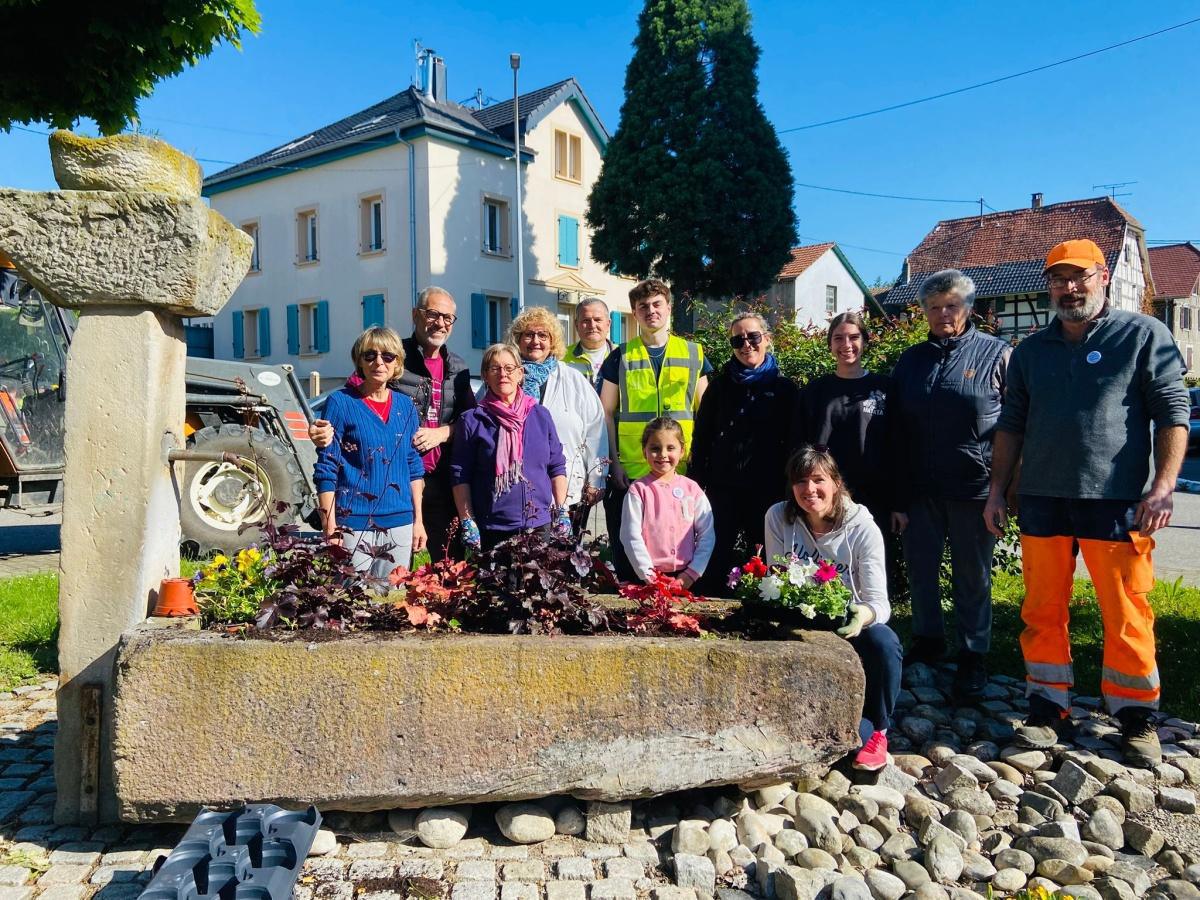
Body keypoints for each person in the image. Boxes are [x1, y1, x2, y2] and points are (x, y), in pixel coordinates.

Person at [984, 238, 1190, 767]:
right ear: (1048, 286)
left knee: (1126, 611)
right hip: (1042, 500)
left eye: (1080, 277)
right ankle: (1048, 707)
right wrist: (996, 489)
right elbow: (1011, 424)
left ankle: (1135, 715)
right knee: (1041, 609)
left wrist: (1163, 486)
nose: (1069, 288)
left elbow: (1172, 413)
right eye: (1058, 279)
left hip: (1115, 501)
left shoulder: (1144, 335)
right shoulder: (1031, 350)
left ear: (1103, 276)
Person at [891, 269, 1010, 703]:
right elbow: (898, 431)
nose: (943, 314)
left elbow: (1014, 426)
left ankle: (973, 653)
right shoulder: (911, 360)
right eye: (934, 307)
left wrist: (1003, 490)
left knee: (972, 575)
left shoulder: (997, 354)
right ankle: (928, 639)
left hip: (974, 488)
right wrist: (899, 496)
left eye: (951, 306)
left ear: (968, 308)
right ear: (923, 312)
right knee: (921, 568)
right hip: (920, 489)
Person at [764, 446, 902, 772]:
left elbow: (879, 603)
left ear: (836, 483)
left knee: (885, 643)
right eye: (800, 481)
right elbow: (777, 577)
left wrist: (861, 616)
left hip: (849, 621)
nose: (809, 489)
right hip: (801, 618)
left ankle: (879, 729)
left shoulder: (862, 528)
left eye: (818, 480)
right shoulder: (778, 518)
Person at [311, 286, 475, 560]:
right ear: (416, 315)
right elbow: (353, 398)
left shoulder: (458, 367)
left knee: (448, 564)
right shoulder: (391, 354)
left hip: (441, 479)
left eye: (448, 318)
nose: (440, 323)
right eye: (433, 314)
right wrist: (321, 429)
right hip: (397, 482)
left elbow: (471, 420)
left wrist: (443, 433)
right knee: (396, 572)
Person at [600, 278, 711, 580]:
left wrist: (700, 461)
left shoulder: (693, 354)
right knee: (630, 551)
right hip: (632, 471)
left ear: (669, 308)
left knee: (680, 544)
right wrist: (615, 463)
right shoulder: (620, 356)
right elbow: (606, 413)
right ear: (634, 314)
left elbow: (707, 412)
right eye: (643, 307)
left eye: (656, 304)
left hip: (681, 470)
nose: (651, 311)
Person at [690, 312, 800, 596]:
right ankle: (709, 610)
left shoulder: (785, 390)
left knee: (765, 556)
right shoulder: (718, 387)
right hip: (723, 487)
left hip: (768, 488)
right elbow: (701, 438)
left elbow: (795, 441)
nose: (746, 344)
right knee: (716, 553)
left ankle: (765, 612)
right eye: (738, 340)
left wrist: (791, 488)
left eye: (753, 337)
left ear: (767, 339)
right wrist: (695, 485)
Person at [797, 311, 905, 593]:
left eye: (854, 337)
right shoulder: (816, 391)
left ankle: (874, 621)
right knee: (827, 566)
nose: (847, 344)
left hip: (874, 495)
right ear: (830, 345)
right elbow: (801, 446)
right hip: (825, 494)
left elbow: (898, 447)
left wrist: (898, 503)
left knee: (873, 567)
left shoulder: (884, 388)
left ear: (865, 341)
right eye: (838, 338)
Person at [313, 327, 426, 577]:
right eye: (370, 355)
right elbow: (326, 468)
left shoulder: (405, 406)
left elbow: (413, 466)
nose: (378, 362)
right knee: (352, 602)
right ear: (359, 361)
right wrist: (329, 525)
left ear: (397, 363)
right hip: (352, 523)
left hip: (400, 522)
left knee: (391, 602)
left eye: (387, 356)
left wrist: (418, 520)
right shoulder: (341, 403)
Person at [451, 343, 569, 551]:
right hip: (493, 528)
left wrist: (562, 510)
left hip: (539, 525)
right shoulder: (472, 420)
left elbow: (556, 466)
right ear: (485, 376)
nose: (502, 374)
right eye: (494, 368)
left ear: (520, 373)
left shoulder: (540, 415)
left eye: (509, 368)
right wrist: (467, 520)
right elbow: (461, 475)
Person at [507, 307, 608, 533]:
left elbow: (596, 429)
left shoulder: (572, 379)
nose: (535, 341)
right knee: (519, 562)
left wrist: (596, 479)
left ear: (552, 342)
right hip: (514, 491)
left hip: (568, 489)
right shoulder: (504, 377)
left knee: (562, 560)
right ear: (517, 340)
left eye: (543, 335)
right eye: (528, 335)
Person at [621, 417, 715, 587]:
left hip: (686, 579)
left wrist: (691, 574)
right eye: (655, 448)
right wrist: (649, 576)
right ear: (644, 451)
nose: (663, 454)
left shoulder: (692, 489)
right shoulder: (638, 490)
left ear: (682, 451)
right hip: (648, 580)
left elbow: (707, 534)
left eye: (670, 448)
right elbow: (630, 535)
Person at [562, 297, 614, 389]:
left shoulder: (622, 356)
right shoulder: (561, 358)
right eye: (586, 320)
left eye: (598, 320)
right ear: (576, 325)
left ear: (608, 324)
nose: (592, 326)